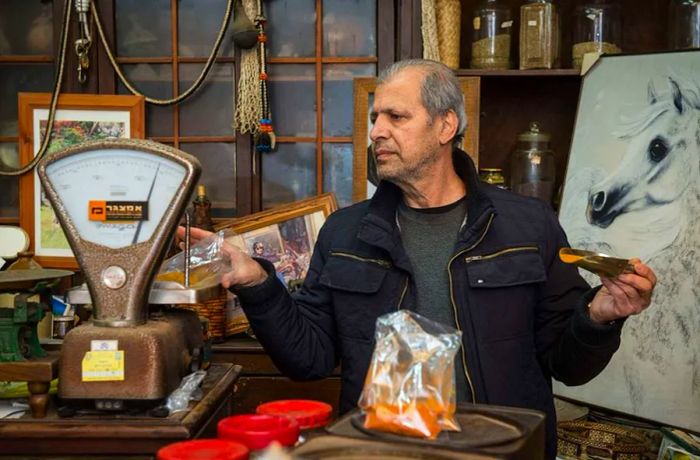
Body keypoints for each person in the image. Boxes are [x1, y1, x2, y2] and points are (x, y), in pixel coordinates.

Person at [179, 59, 656, 459]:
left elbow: (568, 365)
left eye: (396, 117)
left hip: (501, 450)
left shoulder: (528, 225)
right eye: (374, 118)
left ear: (446, 125)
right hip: (382, 453)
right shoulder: (345, 234)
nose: (376, 132)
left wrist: (599, 317)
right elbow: (309, 358)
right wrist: (256, 284)